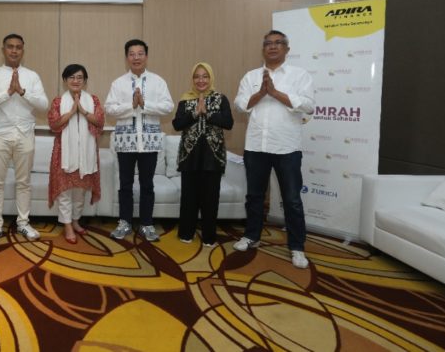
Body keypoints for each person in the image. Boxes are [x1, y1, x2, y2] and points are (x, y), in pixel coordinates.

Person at [233, 30, 315, 269]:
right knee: (254, 196)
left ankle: (297, 247)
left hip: (287, 147)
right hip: (256, 146)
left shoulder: (300, 75)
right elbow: (240, 105)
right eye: (268, 43)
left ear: (287, 49)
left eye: (278, 43)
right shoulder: (251, 76)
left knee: (292, 199)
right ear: (263, 49)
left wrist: (276, 93)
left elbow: (309, 106)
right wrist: (261, 93)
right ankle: (252, 236)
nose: (272, 47)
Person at [0, 34, 49, 244]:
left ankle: (23, 223)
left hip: (25, 134)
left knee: (24, 182)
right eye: (10, 47)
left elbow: (44, 105)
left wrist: (23, 92)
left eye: (18, 47)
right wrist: (8, 92)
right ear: (3, 50)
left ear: (22, 51)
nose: (14, 50)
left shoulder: (32, 76)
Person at [105, 39, 174, 241]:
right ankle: (124, 222)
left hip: (149, 142)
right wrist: (131, 105)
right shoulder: (118, 83)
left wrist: (145, 104)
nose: (136, 58)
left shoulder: (158, 81)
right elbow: (110, 108)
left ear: (146, 56)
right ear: (127, 57)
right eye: (132, 54)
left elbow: (168, 106)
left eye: (140, 53)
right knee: (125, 184)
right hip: (125, 142)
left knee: (147, 185)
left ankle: (146, 224)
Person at [171, 62, 234, 248]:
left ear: (211, 78)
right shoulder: (185, 99)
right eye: (197, 76)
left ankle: (209, 236)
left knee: (210, 199)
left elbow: (228, 123)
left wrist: (208, 114)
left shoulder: (221, 98)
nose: (201, 80)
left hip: (213, 157)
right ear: (192, 79)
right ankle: (186, 233)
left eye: (205, 76)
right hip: (189, 156)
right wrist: (194, 113)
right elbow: (177, 124)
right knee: (188, 198)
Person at [47, 64, 105, 244]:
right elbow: (54, 124)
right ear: (65, 81)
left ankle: (75, 221)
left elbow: (100, 122)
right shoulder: (58, 102)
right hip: (64, 154)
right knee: (65, 193)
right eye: (71, 77)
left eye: (79, 77)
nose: (75, 80)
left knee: (80, 192)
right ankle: (67, 226)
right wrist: (72, 112)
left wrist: (83, 111)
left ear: (85, 81)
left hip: (86, 154)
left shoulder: (93, 100)